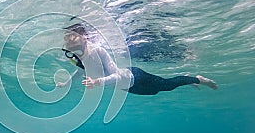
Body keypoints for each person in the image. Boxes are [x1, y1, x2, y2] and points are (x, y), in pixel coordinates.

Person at [56, 23, 217, 95]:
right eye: (66, 36)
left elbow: (117, 75)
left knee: (167, 86)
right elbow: (80, 70)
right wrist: (66, 83)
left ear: (84, 37)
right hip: (128, 88)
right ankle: (188, 80)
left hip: (135, 78)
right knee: (159, 90)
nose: (68, 39)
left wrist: (97, 82)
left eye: (72, 36)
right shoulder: (79, 56)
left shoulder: (98, 51)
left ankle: (196, 79)